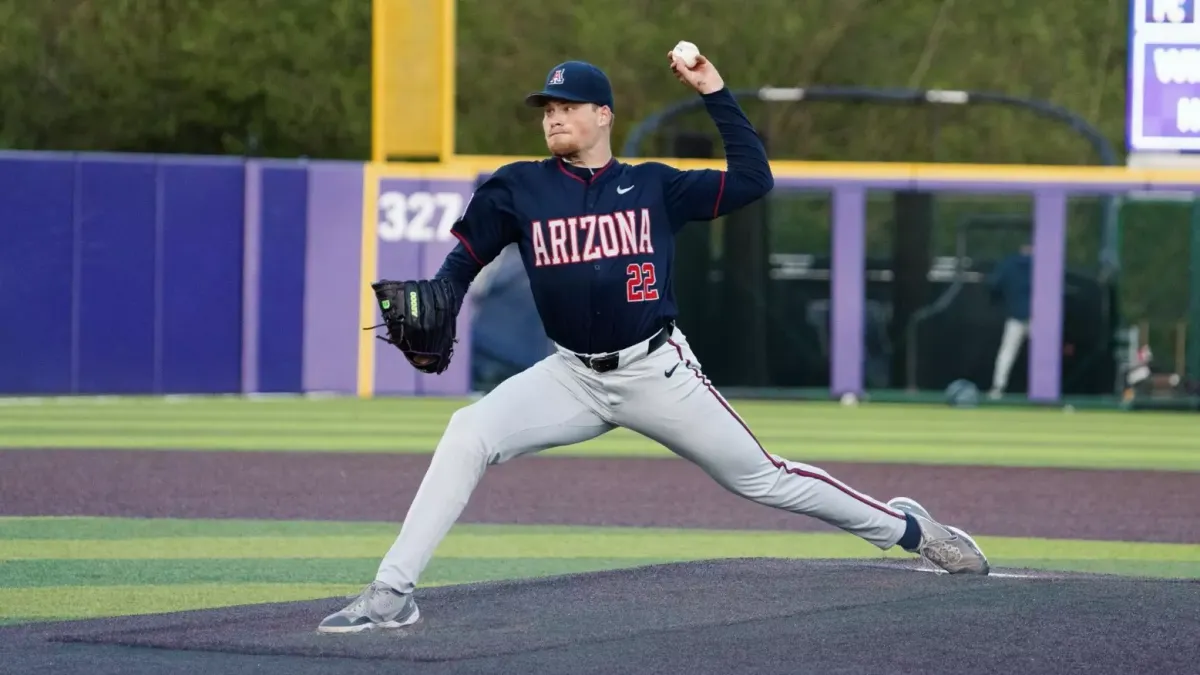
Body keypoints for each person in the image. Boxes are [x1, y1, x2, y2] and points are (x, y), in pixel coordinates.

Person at [317, 51, 989, 634]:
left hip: (656, 370)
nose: (553, 116)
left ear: (603, 115)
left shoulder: (656, 186)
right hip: (569, 376)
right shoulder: (518, 187)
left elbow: (755, 180)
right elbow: (465, 257)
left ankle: (913, 531)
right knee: (468, 432)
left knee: (764, 477)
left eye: (568, 105)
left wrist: (714, 92)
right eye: (546, 107)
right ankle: (392, 592)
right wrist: (444, 291)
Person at [988, 243, 1033, 399]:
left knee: (1007, 353)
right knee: (1040, 355)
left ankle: (997, 389)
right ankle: (1040, 389)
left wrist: (1001, 303)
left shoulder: (1009, 264)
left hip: (1015, 315)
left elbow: (994, 285)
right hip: (1040, 317)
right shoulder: (1045, 263)